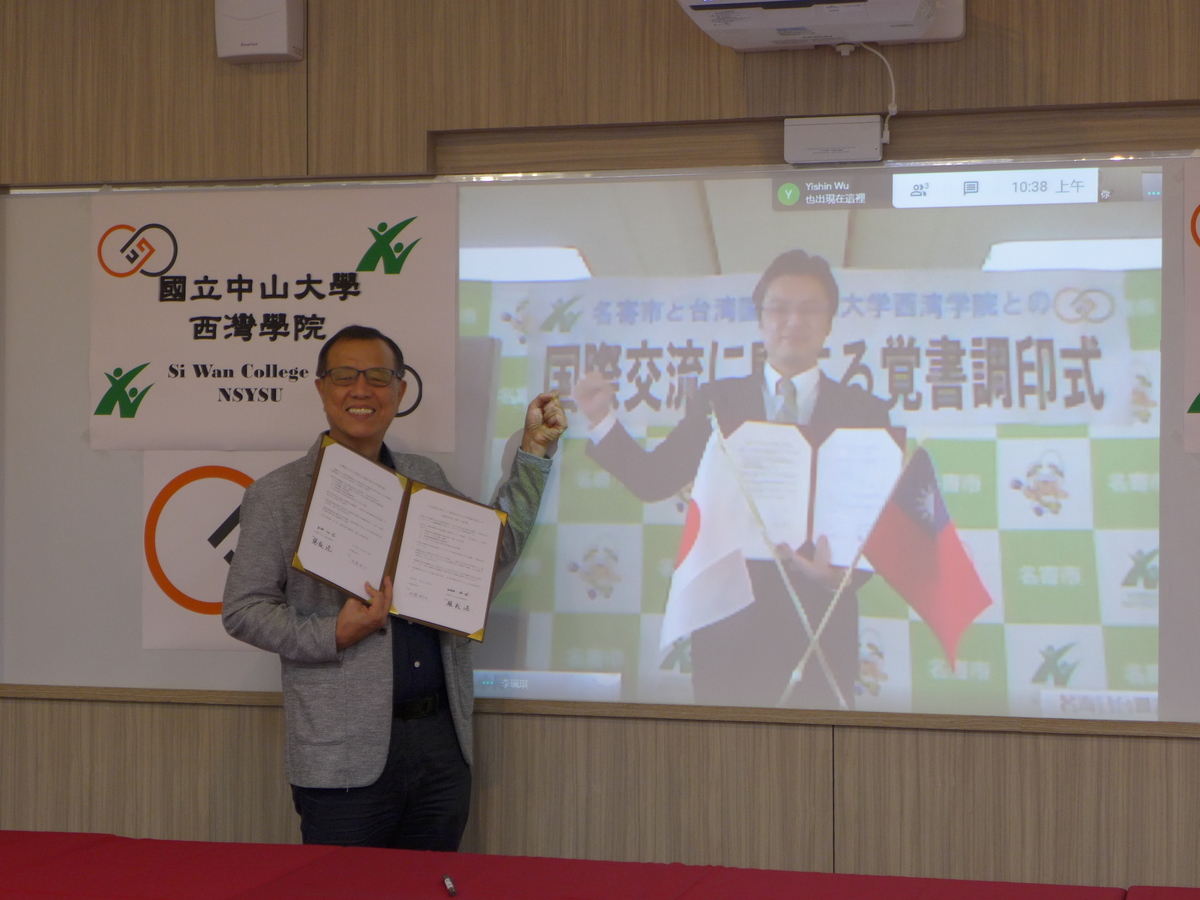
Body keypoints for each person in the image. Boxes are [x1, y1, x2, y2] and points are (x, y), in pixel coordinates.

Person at [223, 324, 566, 850]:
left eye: (379, 377)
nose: (362, 390)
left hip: (439, 745)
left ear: (401, 391)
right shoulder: (276, 495)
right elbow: (243, 609)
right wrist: (332, 632)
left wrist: (534, 452)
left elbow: (488, 555)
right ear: (321, 389)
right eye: (344, 376)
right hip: (341, 756)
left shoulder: (423, 476)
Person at [573, 250, 889, 709]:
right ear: (761, 321)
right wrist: (601, 417)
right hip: (729, 622)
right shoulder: (718, 400)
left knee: (820, 766)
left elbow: (878, 524)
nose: (793, 320)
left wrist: (841, 574)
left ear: (829, 324)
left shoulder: (865, 413)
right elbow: (655, 479)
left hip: (820, 623)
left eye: (810, 308)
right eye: (779, 307)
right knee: (724, 765)